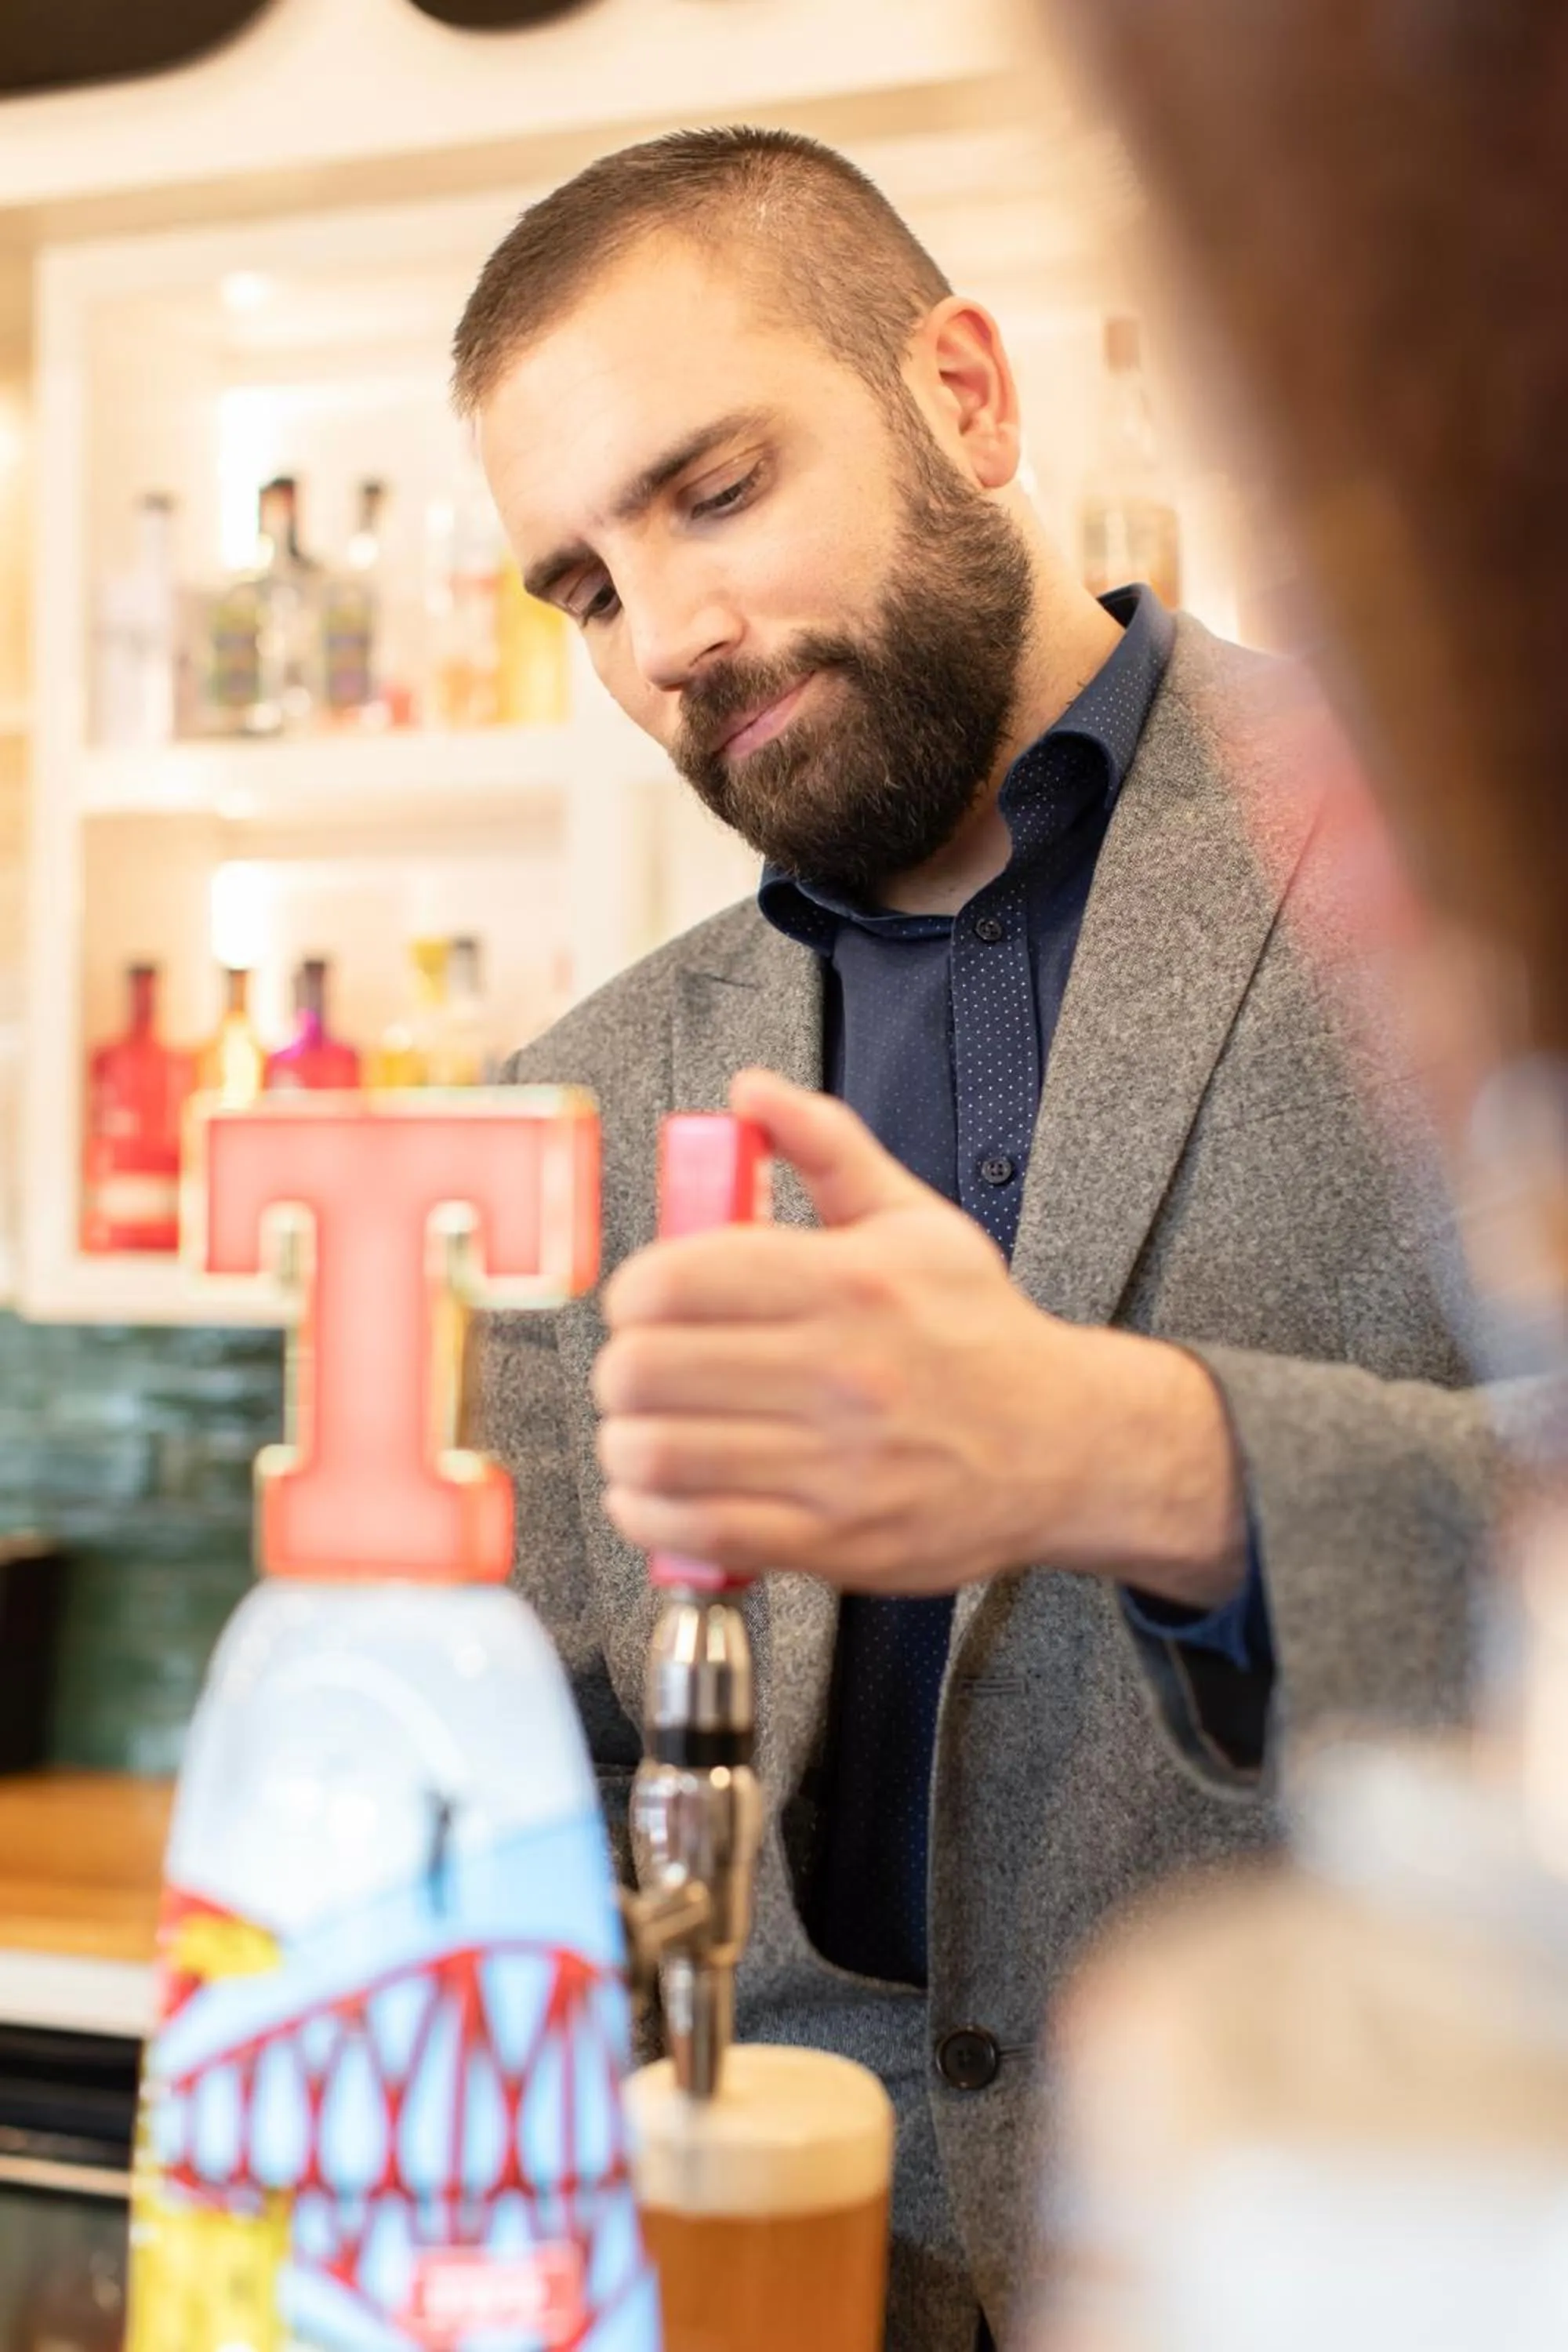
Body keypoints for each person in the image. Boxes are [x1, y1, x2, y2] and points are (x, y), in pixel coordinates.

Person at [454, 128, 1499, 2352]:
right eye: (585, 585)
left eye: (715, 492)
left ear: (967, 396)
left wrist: (1145, 1457)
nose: (671, 643)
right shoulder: (575, 1096)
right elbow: (538, 1821)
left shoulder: (1479, 875)